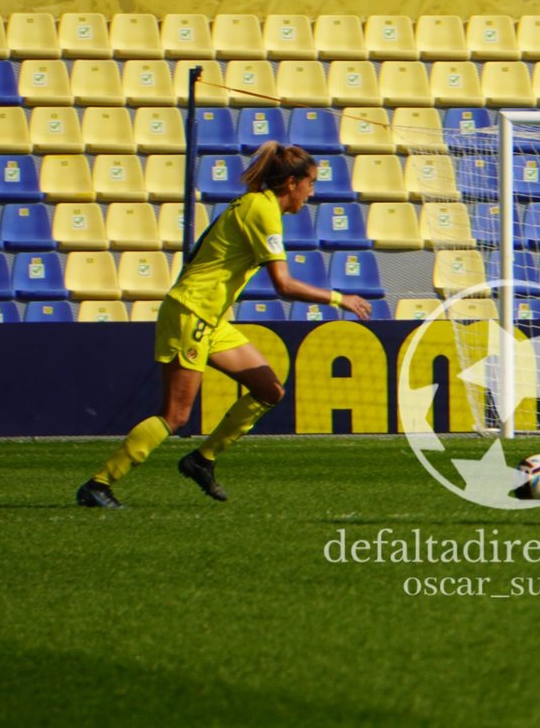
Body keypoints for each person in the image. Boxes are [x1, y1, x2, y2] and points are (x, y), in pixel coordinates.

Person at [77, 142, 372, 509]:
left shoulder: (257, 205)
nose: (312, 192)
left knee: (270, 390)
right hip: (192, 312)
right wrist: (338, 298)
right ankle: (99, 484)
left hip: (211, 317)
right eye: (311, 183)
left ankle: (201, 460)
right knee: (176, 415)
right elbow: (283, 284)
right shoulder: (261, 210)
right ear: (292, 182)